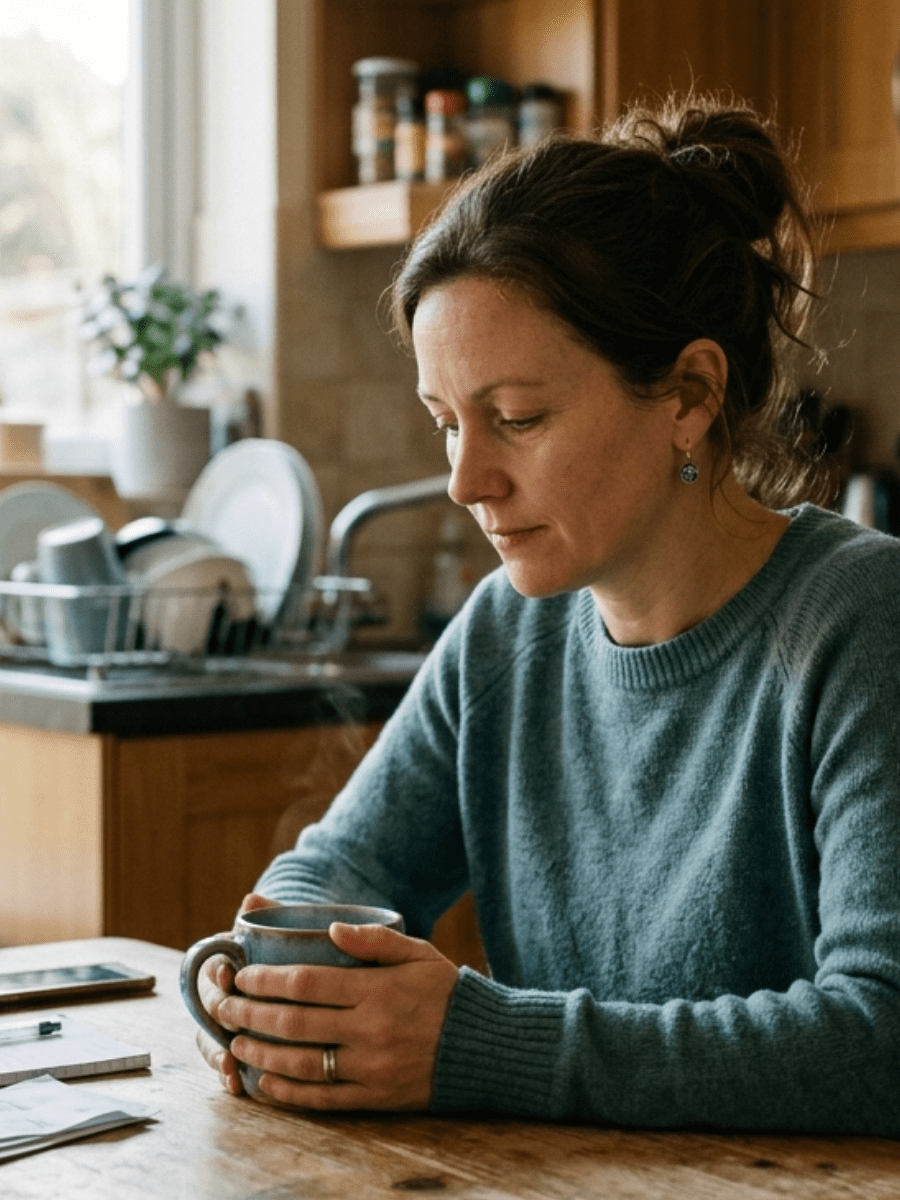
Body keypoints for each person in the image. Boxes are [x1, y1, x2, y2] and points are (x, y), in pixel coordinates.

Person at [195, 93, 900, 1134]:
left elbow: (879, 1041)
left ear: (690, 395)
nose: (465, 479)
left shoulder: (860, 619)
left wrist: (476, 1044)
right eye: (447, 423)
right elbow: (336, 871)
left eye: (516, 419)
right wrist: (269, 979)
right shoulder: (504, 635)